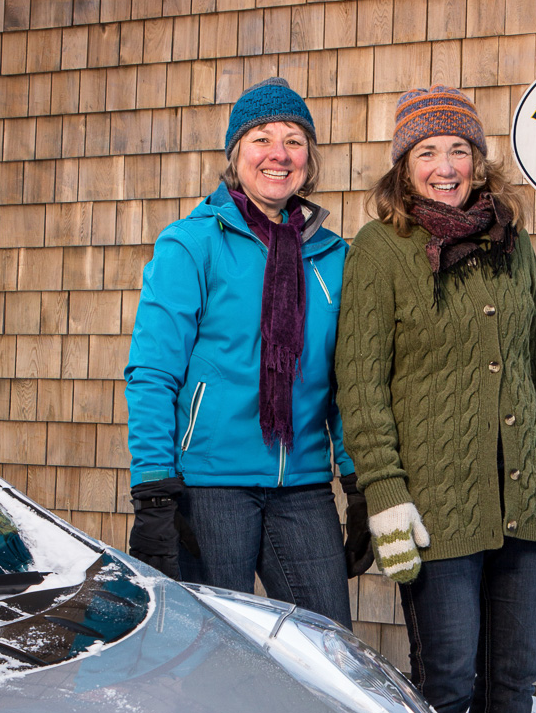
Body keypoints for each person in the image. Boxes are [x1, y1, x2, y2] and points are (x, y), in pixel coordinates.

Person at [334, 86, 536, 713]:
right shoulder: (379, 251)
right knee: (448, 671)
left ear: (479, 162)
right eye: (428, 152)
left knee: (514, 665)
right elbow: (361, 381)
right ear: (403, 167)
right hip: (438, 498)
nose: (445, 166)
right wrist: (384, 489)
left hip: (527, 489)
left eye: (458, 150)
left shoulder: (510, 244)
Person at [124, 78, 371, 627]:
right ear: (236, 154)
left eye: (293, 139)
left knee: (327, 648)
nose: (278, 154)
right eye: (261, 137)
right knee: (209, 657)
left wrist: (357, 484)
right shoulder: (191, 244)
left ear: (309, 157)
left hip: (303, 487)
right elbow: (152, 373)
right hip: (211, 490)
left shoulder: (333, 257)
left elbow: (346, 384)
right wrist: (154, 492)